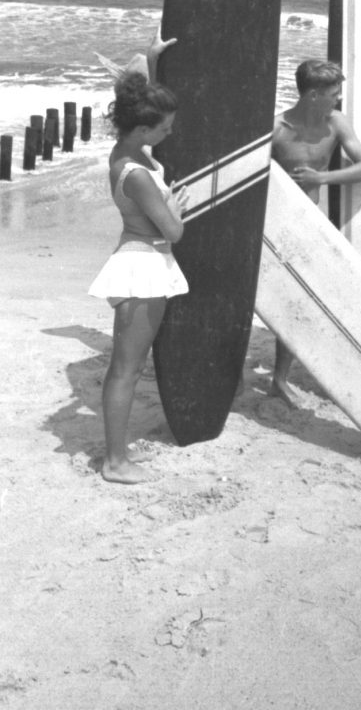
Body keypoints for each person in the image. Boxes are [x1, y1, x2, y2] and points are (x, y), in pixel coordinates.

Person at [89, 33, 188, 484]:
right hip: (143, 265)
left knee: (127, 367)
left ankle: (117, 454)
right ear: (143, 130)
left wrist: (151, 60)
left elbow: (131, 95)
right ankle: (115, 462)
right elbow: (173, 231)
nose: (169, 133)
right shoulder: (138, 175)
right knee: (126, 370)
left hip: (140, 258)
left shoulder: (126, 150)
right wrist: (178, 208)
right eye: (164, 128)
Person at [269, 58, 361, 403]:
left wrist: (321, 178)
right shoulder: (277, 130)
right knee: (279, 302)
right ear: (313, 95)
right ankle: (277, 379)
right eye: (333, 94)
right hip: (275, 226)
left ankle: (281, 378)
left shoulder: (335, 124)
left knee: (301, 300)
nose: (338, 100)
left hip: (311, 223)